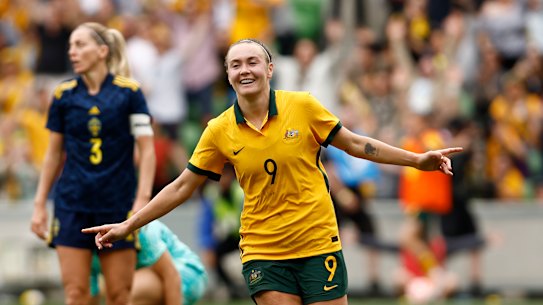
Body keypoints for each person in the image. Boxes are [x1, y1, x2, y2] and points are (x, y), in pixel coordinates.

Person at [83, 38, 462, 305]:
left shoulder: (304, 107)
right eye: (235, 64)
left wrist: (416, 160)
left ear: (269, 69)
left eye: (251, 62)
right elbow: (182, 186)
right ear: (228, 75)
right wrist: (128, 226)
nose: (244, 70)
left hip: (317, 242)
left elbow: (356, 144)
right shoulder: (218, 130)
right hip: (264, 250)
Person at [30, 22, 156, 305]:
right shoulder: (63, 95)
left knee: (119, 295)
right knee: (76, 296)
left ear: (102, 51)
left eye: (80, 45)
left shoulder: (130, 93)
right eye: (70, 46)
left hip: (118, 207)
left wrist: (142, 201)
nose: (72, 52)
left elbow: (147, 151)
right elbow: (53, 154)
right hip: (72, 205)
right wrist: (39, 204)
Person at [89, 220, 208, 305]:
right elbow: (90, 295)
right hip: (147, 276)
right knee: (111, 290)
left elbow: (172, 276)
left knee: (123, 294)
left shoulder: (140, 230)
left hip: (187, 273)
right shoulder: (78, 244)